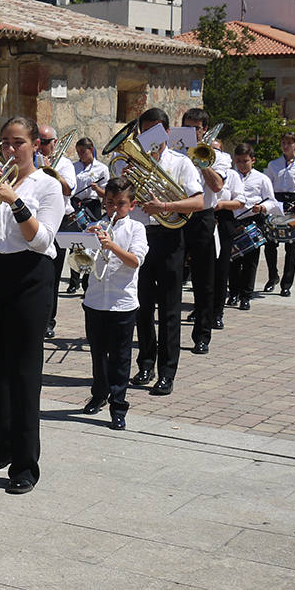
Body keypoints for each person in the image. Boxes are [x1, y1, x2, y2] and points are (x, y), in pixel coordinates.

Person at [0, 117, 64, 494]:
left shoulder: (49, 186)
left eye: (17, 142)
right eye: (4, 142)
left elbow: (42, 242)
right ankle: (2, 443)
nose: (8, 149)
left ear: (35, 145)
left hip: (29, 276)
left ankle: (25, 462)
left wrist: (16, 202)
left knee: (24, 372)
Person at [128, 109, 204, 397]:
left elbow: (197, 202)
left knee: (170, 309)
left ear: (167, 133)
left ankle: (167, 372)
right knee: (142, 306)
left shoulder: (181, 163)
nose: (151, 138)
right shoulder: (133, 162)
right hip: (140, 236)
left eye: (156, 132)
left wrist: (166, 208)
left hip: (170, 236)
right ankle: (145, 363)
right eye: (145, 132)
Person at [81, 178, 148, 430]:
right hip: (95, 300)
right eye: (109, 203)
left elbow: (134, 261)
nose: (114, 209)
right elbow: (84, 262)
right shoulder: (95, 226)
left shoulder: (137, 229)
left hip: (122, 303)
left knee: (120, 357)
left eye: (120, 204)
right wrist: (86, 243)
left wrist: (111, 245)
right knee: (98, 353)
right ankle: (99, 394)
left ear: (132, 205)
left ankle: (118, 407)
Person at [180, 109, 227, 355]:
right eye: (187, 128)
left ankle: (202, 335)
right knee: (171, 278)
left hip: (202, 219)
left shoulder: (218, 156)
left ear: (204, 131)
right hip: (177, 216)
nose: (191, 132)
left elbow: (217, 185)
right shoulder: (174, 154)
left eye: (196, 128)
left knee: (203, 280)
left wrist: (202, 161)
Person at [229, 142, 279, 310]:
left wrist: (262, 208)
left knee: (250, 262)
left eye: (245, 161)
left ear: (253, 160)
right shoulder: (230, 176)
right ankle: (233, 292)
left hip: (252, 222)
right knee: (233, 261)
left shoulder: (262, 179)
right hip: (232, 221)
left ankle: (246, 295)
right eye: (239, 161)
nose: (242, 165)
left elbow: (271, 201)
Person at [38, 124, 76, 339]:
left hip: (59, 220)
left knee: (51, 274)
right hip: (35, 219)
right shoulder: (31, 161)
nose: (42, 146)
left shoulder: (66, 164)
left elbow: (68, 189)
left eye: (46, 142)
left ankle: (48, 321)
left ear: (55, 143)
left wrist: (50, 171)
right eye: (39, 142)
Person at [263, 132, 295, 297]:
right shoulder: (274, 165)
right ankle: (272, 276)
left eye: (289, 143)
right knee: (270, 243)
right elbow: (267, 188)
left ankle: (286, 284)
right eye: (283, 143)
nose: (285, 146)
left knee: (292, 247)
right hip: (277, 202)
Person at [65, 138, 109, 293]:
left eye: (83, 151)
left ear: (91, 149)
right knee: (75, 242)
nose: (81, 155)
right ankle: (73, 281)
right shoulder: (73, 167)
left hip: (93, 205)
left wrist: (97, 188)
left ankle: (87, 282)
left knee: (90, 242)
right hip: (76, 205)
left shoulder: (101, 168)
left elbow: (106, 194)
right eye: (78, 152)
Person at [213, 140, 243, 328]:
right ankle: (201, 309)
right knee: (201, 270)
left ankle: (217, 312)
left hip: (223, 220)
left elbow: (240, 201)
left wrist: (222, 204)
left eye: (216, 150)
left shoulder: (231, 175)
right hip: (203, 217)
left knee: (221, 269)